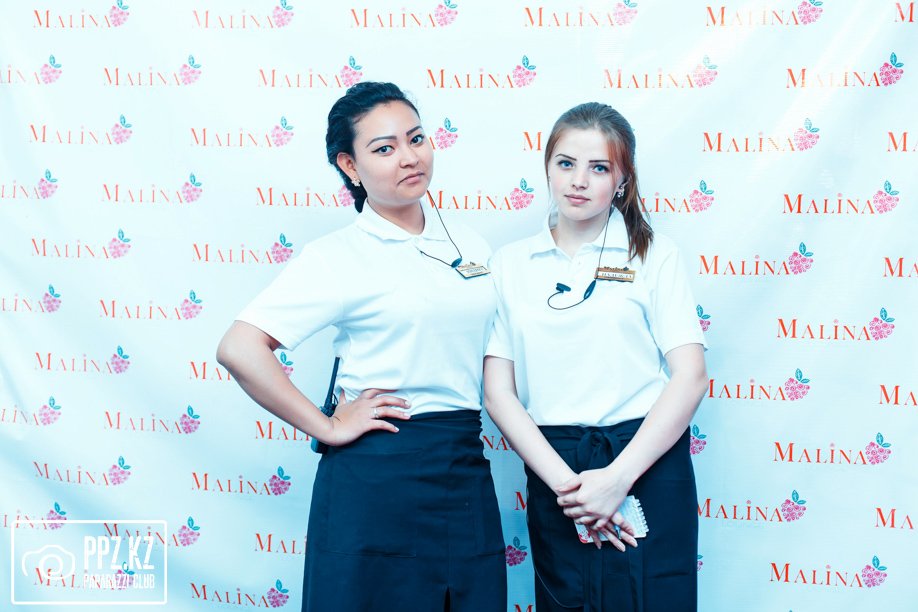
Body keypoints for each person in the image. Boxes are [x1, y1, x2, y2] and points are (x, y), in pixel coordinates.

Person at [216, 82, 506, 612]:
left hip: (461, 464)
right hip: (376, 473)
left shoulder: (470, 243)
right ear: (350, 166)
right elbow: (240, 347)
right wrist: (326, 426)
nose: (409, 157)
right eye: (384, 148)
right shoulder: (338, 256)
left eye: (416, 139)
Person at [483, 102, 708, 611]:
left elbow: (690, 376)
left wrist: (618, 478)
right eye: (566, 163)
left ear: (622, 180)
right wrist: (573, 490)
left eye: (599, 168)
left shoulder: (654, 255)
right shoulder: (509, 264)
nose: (579, 180)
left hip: (645, 460)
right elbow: (498, 393)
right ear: (547, 167)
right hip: (557, 470)